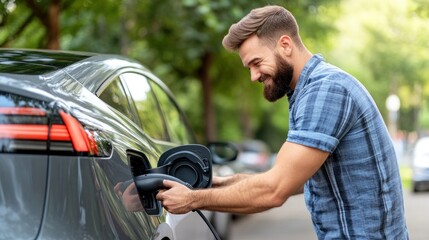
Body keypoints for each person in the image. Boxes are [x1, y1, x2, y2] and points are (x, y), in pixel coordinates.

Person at [156, 5, 409, 239]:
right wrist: (216, 183)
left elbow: (274, 190)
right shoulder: (308, 91)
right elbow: (287, 178)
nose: (253, 76)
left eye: (256, 63)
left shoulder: (325, 91)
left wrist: (192, 200)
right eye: (248, 68)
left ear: (285, 45)